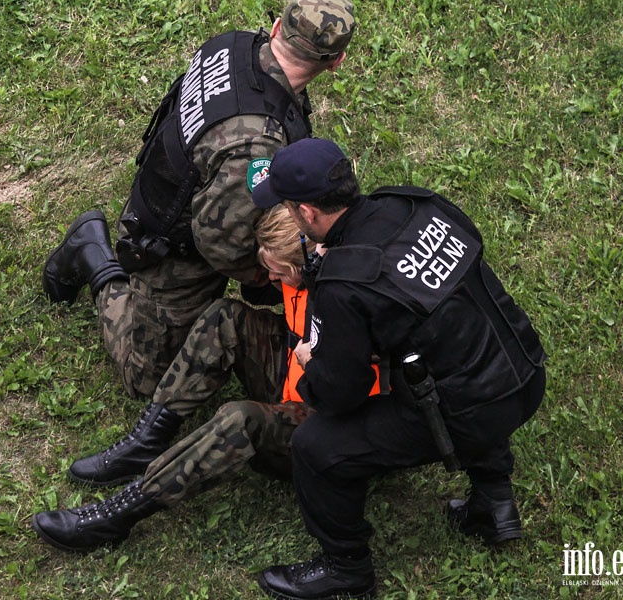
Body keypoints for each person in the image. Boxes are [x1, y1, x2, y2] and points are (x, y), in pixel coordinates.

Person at [41, 0, 356, 488]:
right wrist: (267, 276)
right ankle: (94, 256)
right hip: (175, 249)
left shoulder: (236, 47)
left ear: (276, 27)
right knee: (145, 377)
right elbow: (217, 239)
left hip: (172, 196)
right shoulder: (254, 145)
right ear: (335, 62)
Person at [249, 138, 547, 600]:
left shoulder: (344, 281)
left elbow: (339, 395)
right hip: (522, 367)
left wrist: (311, 365)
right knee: (449, 355)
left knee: (315, 446)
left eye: (287, 208)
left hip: (473, 410)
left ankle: (345, 569)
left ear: (307, 214)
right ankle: (494, 502)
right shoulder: (412, 201)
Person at [31, 206, 381, 552]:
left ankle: (118, 513)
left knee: (240, 419)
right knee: (224, 317)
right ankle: (148, 438)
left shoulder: (344, 304)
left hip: (326, 426)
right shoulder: (306, 266)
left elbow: (347, 398)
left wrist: (314, 364)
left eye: (278, 274)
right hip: (295, 372)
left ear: (305, 267)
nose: (272, 281)